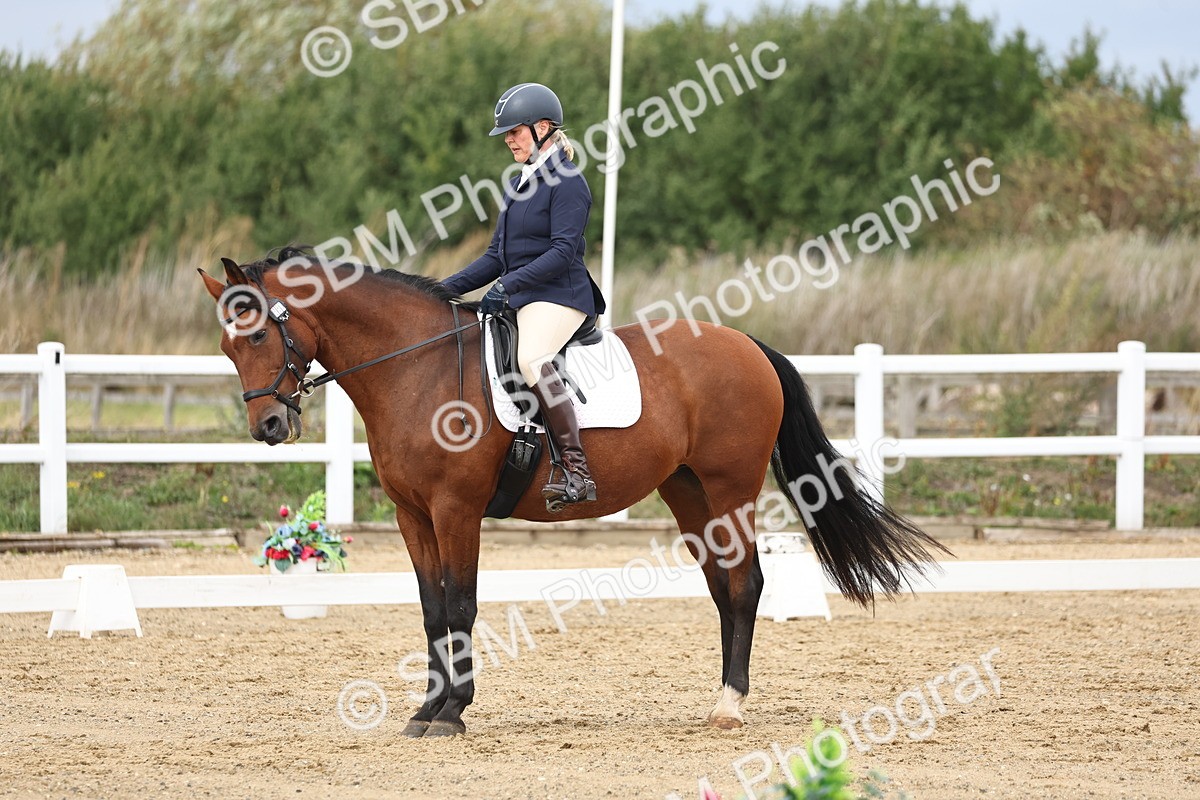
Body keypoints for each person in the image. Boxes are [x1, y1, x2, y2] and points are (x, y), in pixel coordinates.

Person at [441, 82, 606, 509]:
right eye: (507, 134)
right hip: (525, 295)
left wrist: (507, 286)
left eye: (515, 132)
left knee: (531, 358)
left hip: (561, 294)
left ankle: (577, 470)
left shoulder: (568, 182)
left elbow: (562, 252)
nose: (509, 140)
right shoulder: (518, 184)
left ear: (543, 128)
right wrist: (441, 290)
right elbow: (496, 256)